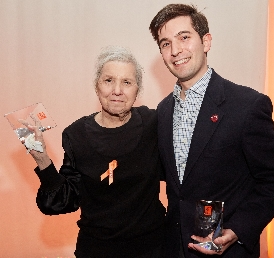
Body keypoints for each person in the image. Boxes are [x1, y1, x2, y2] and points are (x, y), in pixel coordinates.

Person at [149, 3, 274, 258]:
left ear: (206, 42)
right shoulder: (162, 111)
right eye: (165, 43)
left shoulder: (247, 106)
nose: (175, 50)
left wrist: (237, 229)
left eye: (184, 37)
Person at [20, 46, 166, 258]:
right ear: (97, 86)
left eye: (127, 82)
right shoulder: (76, 134)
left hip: (152, 248)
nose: (117, 90)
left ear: (138, 89)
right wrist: (42, 157)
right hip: (97, 250)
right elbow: (65, 200)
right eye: (108, 80)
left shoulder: (154, 124)